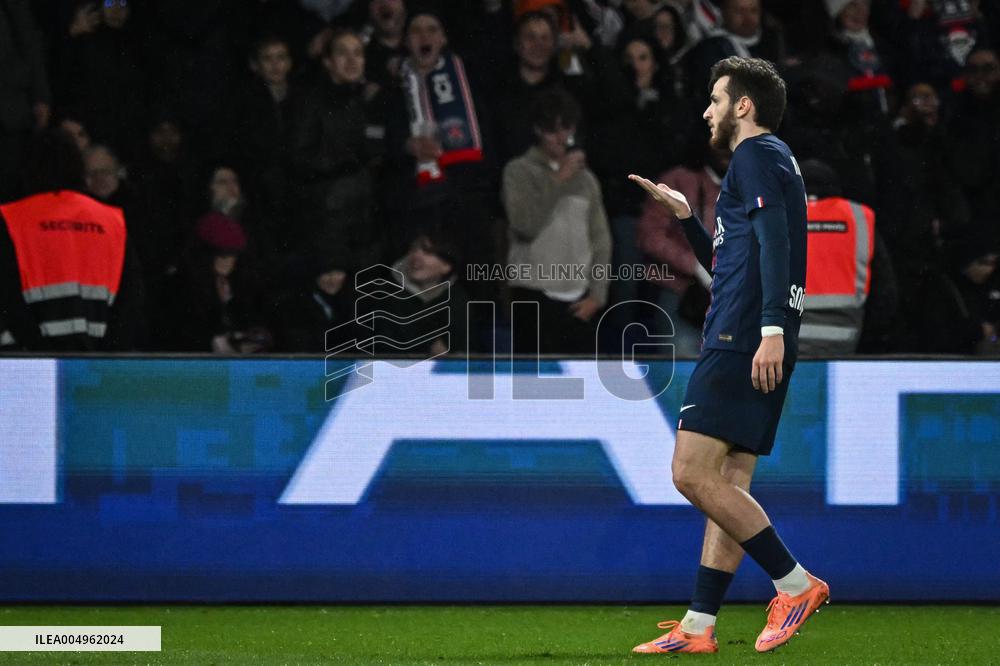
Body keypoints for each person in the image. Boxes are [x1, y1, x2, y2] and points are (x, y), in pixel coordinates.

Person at [628, 56, 827, 655]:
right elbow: (734, 257)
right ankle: (698, 625)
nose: (707, 110)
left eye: (716, 99)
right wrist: (689, 222)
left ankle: (795, 584)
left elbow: (774, 242)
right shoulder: (775, 161)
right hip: (756, 330)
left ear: (744, 105)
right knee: (728, 483)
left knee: (689, 473)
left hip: (741, 337)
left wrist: (767, 329)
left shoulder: (754, 155)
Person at [0, 130, 143, 351]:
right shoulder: (111, 221)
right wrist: (108, 359)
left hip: (24, 368)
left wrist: (39, 354)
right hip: (98, 368)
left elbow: (7, 301)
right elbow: (131, 304)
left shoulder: (11, 219)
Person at [504, 89, 611, 355]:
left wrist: (597, 294)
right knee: (532, 388)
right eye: (553, 130)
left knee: (578, 388)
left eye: (567, 128)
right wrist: (557, 181)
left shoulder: (586, 179)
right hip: (532, 294)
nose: (562, 138)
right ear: (538, 130)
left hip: (579, 300)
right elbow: (524, 225)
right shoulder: (519, 171)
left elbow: (601, 239)